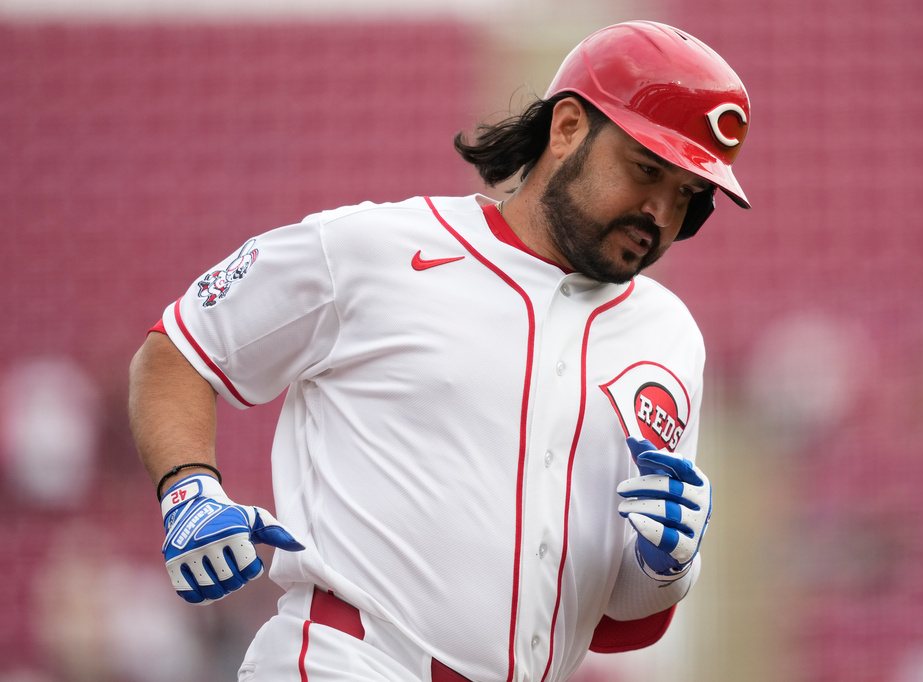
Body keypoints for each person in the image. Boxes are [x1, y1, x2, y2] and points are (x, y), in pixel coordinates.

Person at [128, 19, 751, 682]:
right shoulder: (375, 248)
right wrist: (188, 488)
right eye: (645, 170)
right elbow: (183, 347)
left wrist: (669, 568)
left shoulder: (670, 336)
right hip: (346, 663)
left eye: (686, 194)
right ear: (567, 128)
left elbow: (619, 627)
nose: (659, 212)